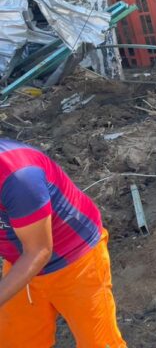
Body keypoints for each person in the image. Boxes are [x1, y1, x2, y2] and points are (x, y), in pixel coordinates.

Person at [0, 139, 125, 347]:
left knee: (97, 342)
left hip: (75, 258)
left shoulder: (19, 178)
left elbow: (39, 251)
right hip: (20, 257)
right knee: (17, 341)